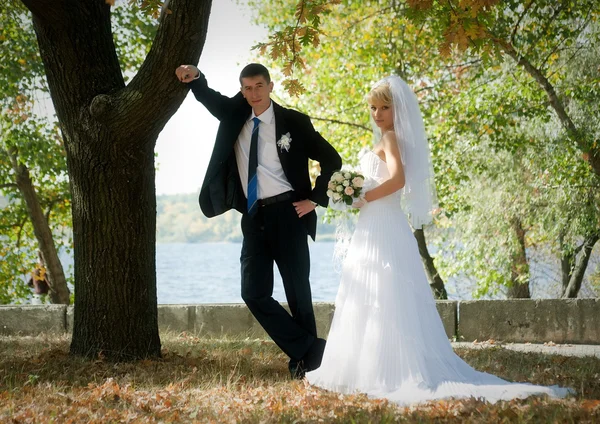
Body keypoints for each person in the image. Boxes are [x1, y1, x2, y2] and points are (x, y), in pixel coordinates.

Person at [306, 76, 571, 404]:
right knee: (373, 288)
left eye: (384, 107)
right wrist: (354, 191)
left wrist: (365, 197)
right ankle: (367, 364)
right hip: (374, 224)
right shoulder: (388, 137)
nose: (377, 113)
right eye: (373, 107)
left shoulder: (391, 138)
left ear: (396, 109)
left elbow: (399, 181)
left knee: (385, 289)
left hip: (383, 221)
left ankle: (388, 369)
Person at [175, 63, 342, 379]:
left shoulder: (293, 121)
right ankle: (311, 349)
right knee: (252, 292)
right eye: (247, 88)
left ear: (270, 86)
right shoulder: (234, 115)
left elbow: (331, 159)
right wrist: (195, 78)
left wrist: (315, 199)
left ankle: (306, 363)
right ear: (242, 90)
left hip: (290, 214)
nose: (253, 94)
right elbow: (210, 98)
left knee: (297, 293)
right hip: (253, 217)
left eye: (258, 86)